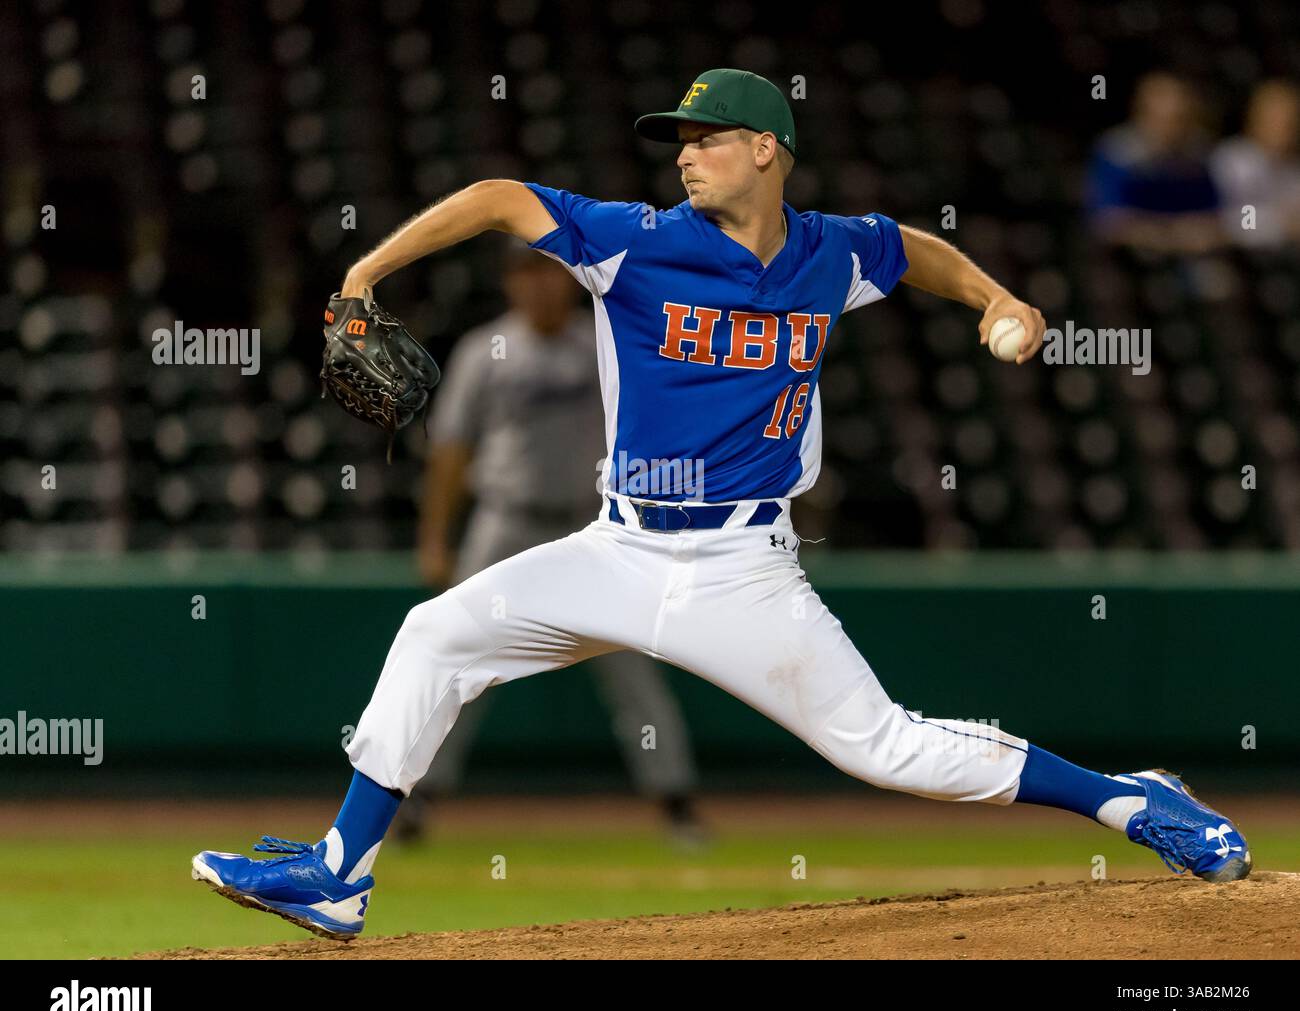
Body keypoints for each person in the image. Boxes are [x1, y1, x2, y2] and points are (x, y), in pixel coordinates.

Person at [193, 69, 1251, 940]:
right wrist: (366, 273)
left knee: (886, 750)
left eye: (705, 136)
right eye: (679, 139)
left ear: (765, 151)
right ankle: (342, 871)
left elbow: (909, 247)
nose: (684, 151)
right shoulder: (636, 242)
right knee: (435, 632)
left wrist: (996, 297)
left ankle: (1129, 797)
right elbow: (499, 197)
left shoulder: (828, 250)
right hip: (614, 549)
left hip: (741, 571)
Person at [396, 241, 706, 844]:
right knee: (457, 658)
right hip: (506, 521)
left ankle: (676, 801)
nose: (538, 285)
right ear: (510, 283)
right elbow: (452, 450)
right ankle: (414, 799)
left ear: (569, 282)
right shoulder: (485, 350)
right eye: (525, 273)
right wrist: (436, 537)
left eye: (548, 273)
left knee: (632, 664)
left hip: (591, 525)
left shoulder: (604, 341)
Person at [1086, 72, 1224, 253]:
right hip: (1127, 256)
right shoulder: (1117, 153)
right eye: (1163, 119)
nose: (1172, 129)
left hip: (1191, 251)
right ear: (1141, 113)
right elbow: (1106, 220)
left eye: (1180, 119)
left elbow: (1215, 215)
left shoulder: (1199, 154)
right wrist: (1162, 234)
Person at [1210, 79, 1300, 248]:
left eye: (1292, 121)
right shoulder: (1234, 160)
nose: (1285, 128)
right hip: (1239, 256)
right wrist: (1281, 223)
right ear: (1255, 118)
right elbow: (1241, 222)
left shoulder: (1294, 167)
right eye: (1275, 119)